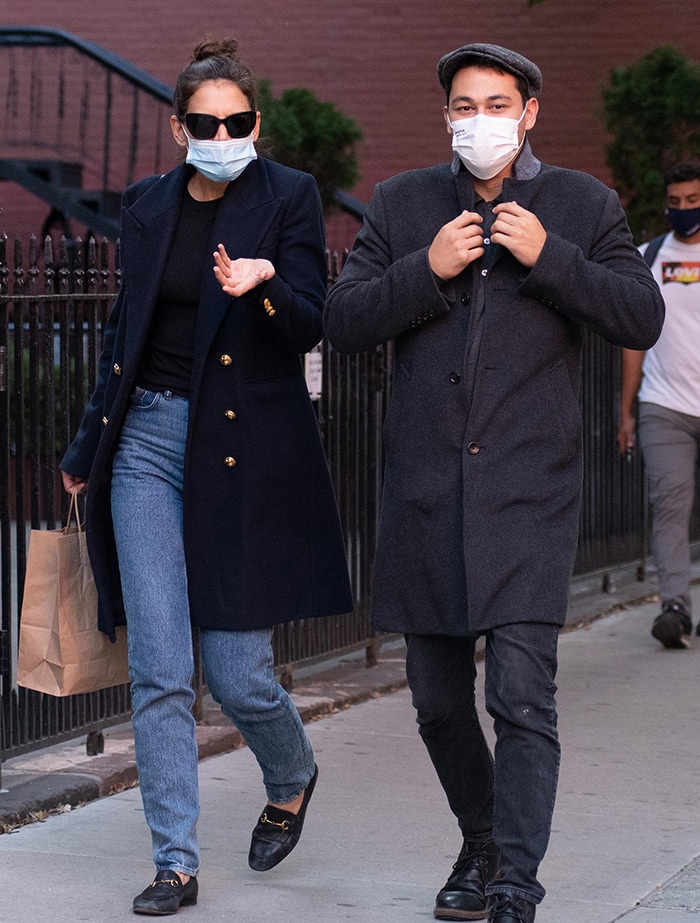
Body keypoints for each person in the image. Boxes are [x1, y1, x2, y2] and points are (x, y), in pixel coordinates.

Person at [324, 42, 664, 923]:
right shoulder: (403, 203)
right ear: (447, 116)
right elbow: (345, 319)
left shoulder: (584, 205)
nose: (482, 120)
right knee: (438, 701)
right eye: (465, 105)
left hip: (528, 494)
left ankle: (515, 880)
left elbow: (642, 314)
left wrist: (551, 255)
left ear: (531, 112)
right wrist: (424, 269)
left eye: (498, 103)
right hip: (427, 493)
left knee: (520, 694)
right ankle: (480, 838)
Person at [60, 38, 352, 916]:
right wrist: (86, 449)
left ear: (256, 124)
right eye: (203, 122)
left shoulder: (287, 197)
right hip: (146, 440)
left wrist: (262, 283)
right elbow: (125, 333)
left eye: (236, 121)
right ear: (177, 124)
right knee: (158, 665)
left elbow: (308, 322)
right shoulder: (148, 203)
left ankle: (292, 768)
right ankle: (175, 862)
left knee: (236, 673)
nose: (221, 134)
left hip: (242, 453)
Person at [617, 162, 700, 650]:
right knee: (669, 506)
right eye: (678, 201)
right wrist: (626, 410)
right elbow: (634, 338)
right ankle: (674, 607)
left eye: (693, 200)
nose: (685, 210)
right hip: (664, 405)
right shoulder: (649, 257)